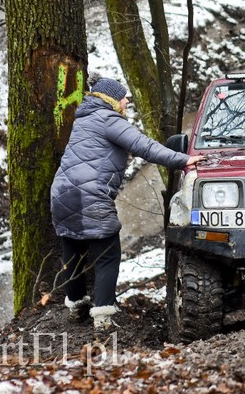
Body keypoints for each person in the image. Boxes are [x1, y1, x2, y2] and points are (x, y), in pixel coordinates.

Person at [50, 75, 205, 335]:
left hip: (61, 193)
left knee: (73, 248)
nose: (127, 102)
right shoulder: (109, 120)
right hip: (90, 195)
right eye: (124, 98)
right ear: (111, 99)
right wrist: (183, 160)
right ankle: (103, 317)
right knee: (107, 253)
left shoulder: (84, 120)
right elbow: (145, 147)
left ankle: (76, 306)